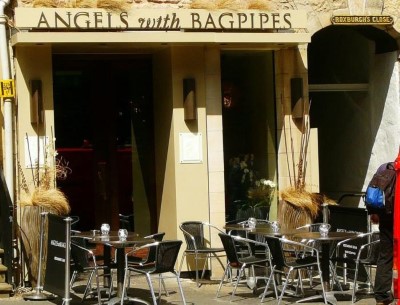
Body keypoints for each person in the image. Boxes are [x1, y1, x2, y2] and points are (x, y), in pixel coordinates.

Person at [369, 162, 395, 305]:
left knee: (385, 256)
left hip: (386, 216)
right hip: (395, 218)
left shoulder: (384, 167)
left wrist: (374, 213)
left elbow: (373, 190)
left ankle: (381, 296)